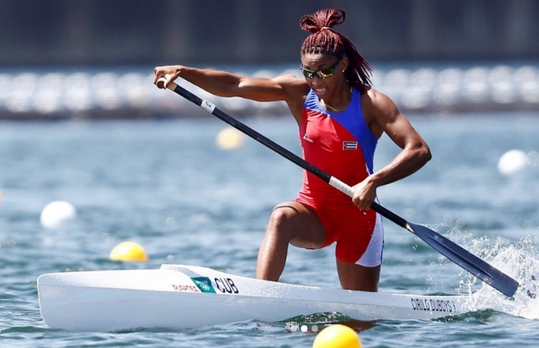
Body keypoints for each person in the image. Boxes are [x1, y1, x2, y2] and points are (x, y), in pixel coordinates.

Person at [154, 8, 431, 292]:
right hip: (314, 212)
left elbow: (419, 149)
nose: (316, 81)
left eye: (324, 71)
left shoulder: (371, 103)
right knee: (281, 217)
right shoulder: (298, 94)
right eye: (309, 72)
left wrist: (372, 182)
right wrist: (184, 72)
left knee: (360, 318)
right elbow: (235, 84)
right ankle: (261, 299)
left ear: (343, 65)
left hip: (360, 219)